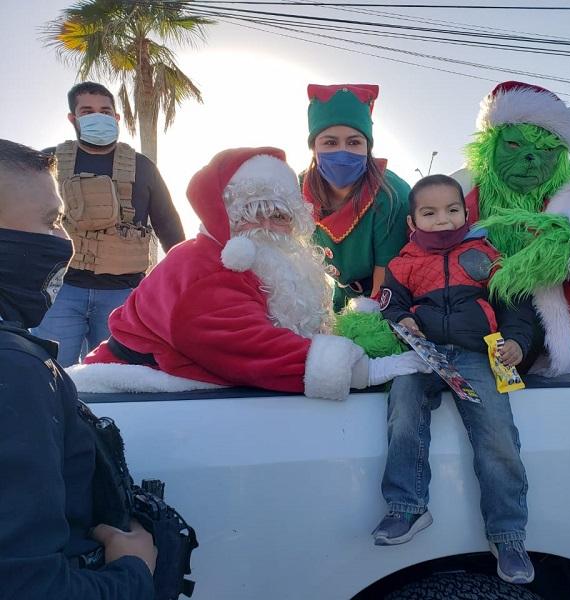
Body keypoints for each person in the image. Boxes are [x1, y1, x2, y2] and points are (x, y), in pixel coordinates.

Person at [77, 147, 427, 399]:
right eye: (252, 212)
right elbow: (252, 347)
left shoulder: (260, 267)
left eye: (279, 216)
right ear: (224, 215)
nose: (267, 227)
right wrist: (363, 370)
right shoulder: (205, 269)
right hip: (142, 397)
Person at [0, 139, 156, 599]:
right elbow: (30, 588)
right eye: (50, 222)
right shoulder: (15, 371)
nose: (64, 242)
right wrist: (133, 572)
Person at [373, 175, 537, 585]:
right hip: (422, 355)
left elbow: (516, 306)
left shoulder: (487, 256)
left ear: (466, 213)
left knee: (497, 435)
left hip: (477, 355)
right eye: (429, 213)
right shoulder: (402, 264)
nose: (442, 220)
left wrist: (517, 342)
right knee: (403, 408)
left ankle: (508, 534)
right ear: (413, 222)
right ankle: (407, 507)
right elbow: (389, 308)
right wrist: (403, 320)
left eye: (452, 210)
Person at [454, 81, 570, 376]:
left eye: (546, 149)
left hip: (554, 353)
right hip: (470, 345)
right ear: (489, 144)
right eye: (515, 144)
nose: (530, 159)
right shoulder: (454, 194)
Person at [33, 81, 185, 366]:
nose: (98, 116)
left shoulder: (142, 167)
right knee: (51, 377)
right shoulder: (48, 161)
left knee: (117, 381)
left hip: (123, 294)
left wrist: (183, 285)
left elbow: (169, 227)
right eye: (87, 110)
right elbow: (24, 221)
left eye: (105, 110)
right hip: (59, 293)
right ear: (73, 118)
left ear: (116, 117)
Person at [302, 84, 410, 312]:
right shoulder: (297, 191)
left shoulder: (391, 195)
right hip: (341, 296)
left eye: (354, 142)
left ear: (368, 147)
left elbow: (386, 281)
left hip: (393, 297)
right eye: (330, 142)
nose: (342, 152)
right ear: (314, 148)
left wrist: (366, 321)